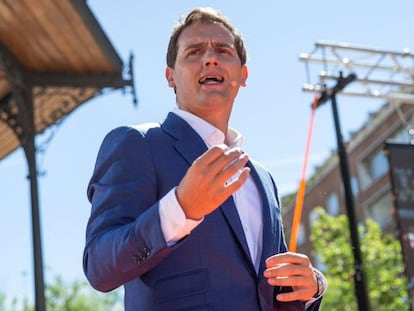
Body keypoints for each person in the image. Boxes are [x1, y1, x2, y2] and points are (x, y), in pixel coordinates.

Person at [83, 7, 326, 310]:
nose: (210, 58)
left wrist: (310, 286)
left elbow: (271, 294)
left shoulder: (262, 178)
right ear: (170, 76)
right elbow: (99, 267)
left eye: (223, 51)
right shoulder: (137, 144)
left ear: (243, 74)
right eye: (194, 52)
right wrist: (180, 209)